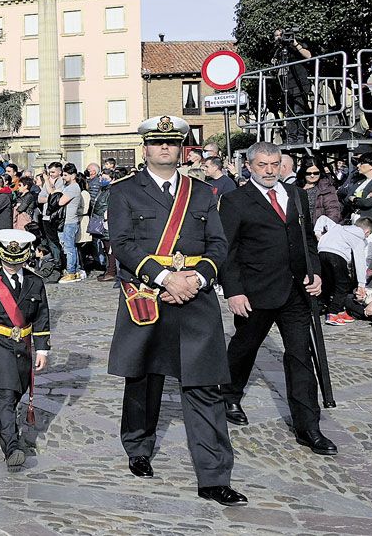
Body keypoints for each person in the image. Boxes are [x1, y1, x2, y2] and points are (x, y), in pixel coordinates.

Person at [107, 115, 245, 507]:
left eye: (172, 142)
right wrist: (165, 279)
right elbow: (123, 244)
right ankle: (138, 447)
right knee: (143, 378)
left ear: (182, 148)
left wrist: (197, 280)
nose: (165, 148)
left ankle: (214, 476)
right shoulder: (124, 191)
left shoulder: (201, 193)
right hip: (146, 297)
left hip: (195, 297)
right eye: (157, 142)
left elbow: (218, 244)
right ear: (145, 148)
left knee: (203, 384)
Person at [219, 141, 334, 456]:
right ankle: (229, 393)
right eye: (262, 165)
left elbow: (306, 238)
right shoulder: (235, 200)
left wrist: (316, 271)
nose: (269, 171)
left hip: (296, 292)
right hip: (255, 293)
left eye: (274, 165)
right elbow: (227, 250)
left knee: (300, 356)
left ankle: (308, 427)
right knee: (244, 347)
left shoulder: (295, 195)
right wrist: (234, 291)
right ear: (249, 166)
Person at [0, 229, 50, 469]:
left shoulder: (35, 281)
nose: (12, 266)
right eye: (7, 261)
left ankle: (7, 426)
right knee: (5, 396)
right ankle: (11, 447)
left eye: (18, 262)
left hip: (23, 346)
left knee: (17, 393)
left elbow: (42, 316)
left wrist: (43, 349)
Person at [315, 216, 372, 324]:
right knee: (343, 284)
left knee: (328, 282)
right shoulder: (358, 237)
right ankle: (333, 313)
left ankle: (340, 310)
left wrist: (317, 232)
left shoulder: (338, 227)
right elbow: (360, 260)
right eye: (368, 235)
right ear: (367, 231)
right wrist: (361, 284)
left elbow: (323, 218)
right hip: (337, 255)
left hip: (322, 252)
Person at [272, 29, 313, 144]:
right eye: (276, 36)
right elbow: (275, 66)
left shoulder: (296, 46)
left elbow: (308, 56)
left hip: (300, 84)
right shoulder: (279, 51)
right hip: (286, 85)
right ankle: (291, 137)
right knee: (289, 113)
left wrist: (294, 42)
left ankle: (301, 137)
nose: (279, 38)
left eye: (281, 35)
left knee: (299, 110)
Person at [344, 152, 372, 234]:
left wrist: (354, 199)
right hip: (355, 222)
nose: (358, 165)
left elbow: (367, 203)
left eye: (362, 163)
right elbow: (347, 198)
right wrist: (358, 200)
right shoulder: (359, 181)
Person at [56, 164, 83, 283]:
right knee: (70, 246)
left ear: (73, 176)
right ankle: (75, 270)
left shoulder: (73, 187)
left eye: (66, 175)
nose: (63, 177)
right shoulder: (69, 186)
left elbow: (61, 202)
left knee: (69, 248)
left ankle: (71, 272)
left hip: (69, 221)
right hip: (68, 221)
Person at [299, 159, 342, 224]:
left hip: (319, 228)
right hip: (300, 227)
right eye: (308, 173)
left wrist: (326, 228)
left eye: (316, 173)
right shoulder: (296, 186)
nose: (312, 175)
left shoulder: (326, 187)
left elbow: (333, 210)